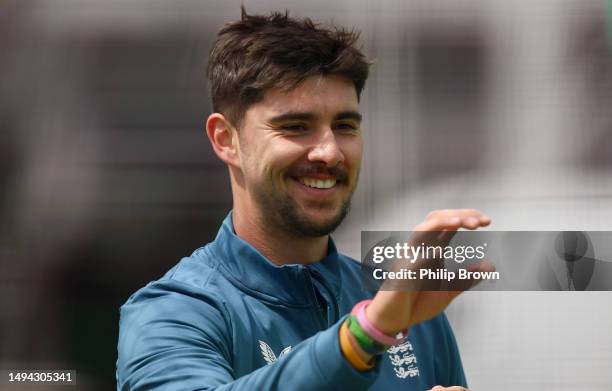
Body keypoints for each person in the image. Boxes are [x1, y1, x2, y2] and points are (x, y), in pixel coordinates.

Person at [116, 8, 491, 391]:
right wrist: (367, 333)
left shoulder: (402, 301)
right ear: (225, 140)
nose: (329, 153)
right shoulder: (172, 312)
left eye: (345, 126)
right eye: (295, 127)